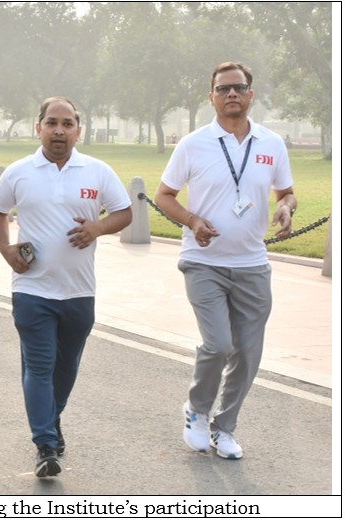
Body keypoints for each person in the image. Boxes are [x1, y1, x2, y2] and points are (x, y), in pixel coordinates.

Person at [154, 62, 295, 461]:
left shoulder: (271, 143)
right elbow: (164, 195)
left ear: (251, 94)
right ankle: (197, 410)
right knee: (218, 345)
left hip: (253, 265)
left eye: (239, 87)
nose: (231, 93)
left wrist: (286, 207)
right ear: (211, 97)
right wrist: (193, 220)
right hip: (203, 262)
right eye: (223, 88)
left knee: (248, 353)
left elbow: (286, 192)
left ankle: (225, 427)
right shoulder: (193, 144)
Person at [0, 96, 132, 478]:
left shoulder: (97, 171)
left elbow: (124, 212)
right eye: (52, 123)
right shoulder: (19, 172)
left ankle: (50, 419)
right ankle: (45, 444)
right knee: (39, 365)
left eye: (67, 124)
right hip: (32, 289)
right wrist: (6, 248)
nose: (59, 131)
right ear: (39, 128)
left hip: (79, 292)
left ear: (78, 131)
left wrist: (98, 227)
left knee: (66, 368)